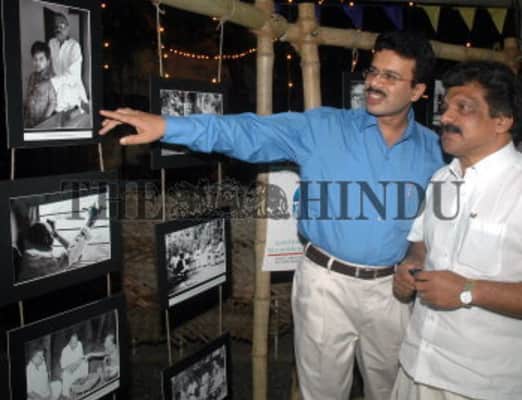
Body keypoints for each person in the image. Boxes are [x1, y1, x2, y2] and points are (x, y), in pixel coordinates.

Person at [100, 31, 444, 400]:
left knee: (393, 390)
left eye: (390, 77)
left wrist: (416, 257)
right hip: (325, 285)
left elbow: (433, 225)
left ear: (417, 91)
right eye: (373, 71)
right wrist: (168, 126)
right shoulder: (324, 128)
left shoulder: (435, 152)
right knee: (322, 393)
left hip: (392, 292)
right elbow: (247, 131)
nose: (374, 82)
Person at [392, 61, 522, 399]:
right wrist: (411, 264)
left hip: (480, 385)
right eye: (445, 106)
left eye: (463, 108)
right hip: (414, 366)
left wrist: (468, 291)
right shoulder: (441, 180)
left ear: (502, 120)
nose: (445, 117)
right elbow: (421, 243)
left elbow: (464, 287)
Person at [17, 203, 100, 282]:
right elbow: (73, 254)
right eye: (49, 234)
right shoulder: (49, 266)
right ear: (48, 240)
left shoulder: (24, 257)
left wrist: (54, 234)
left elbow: (72, 253)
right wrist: (91, 220)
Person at [49, 13, 88, 117]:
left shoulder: (74, 46)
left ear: (68, 27)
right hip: (56, 92)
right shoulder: (51, 43)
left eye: (61, 25)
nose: (58, 29)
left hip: (73, 92)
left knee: (71, 118)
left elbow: (73, 75)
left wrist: (51, 83)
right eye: (56, 26)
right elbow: (49, 66)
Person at [24, 41, 57, 128]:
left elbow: (53, 103)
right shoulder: (31, 77)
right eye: (35, 59)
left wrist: (44, 121)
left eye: (41, 59)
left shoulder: (52, 79)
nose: (37, 62)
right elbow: (28, 97)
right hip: (30, 121)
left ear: (48, 61)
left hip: (43, 123)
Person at [60, 333, 89, 398]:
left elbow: (81, 359)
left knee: (85, 362)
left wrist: (77, 364)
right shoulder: (65, 351)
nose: (76, 344)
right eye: (73, 342)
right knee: (64, 374)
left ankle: (84, 385)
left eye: (76, 341)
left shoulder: (79, 344)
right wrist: (74, 365)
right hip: (70, 372)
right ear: (69, 342)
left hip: (78, 369)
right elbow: (64, 367)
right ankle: (67, 395)